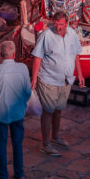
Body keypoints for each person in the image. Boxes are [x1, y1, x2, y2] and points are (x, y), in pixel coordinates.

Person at [30, 10, 85, 155]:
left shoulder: (72, 34)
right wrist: (34, 79)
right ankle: (46, 143)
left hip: (66, 79)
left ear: (66, 23)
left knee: (59, 109)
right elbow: (37, 58)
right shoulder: (46, 36)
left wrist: (79, 74)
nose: (58, 27)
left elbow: (76, 54)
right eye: (56, 23)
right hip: (49, 79)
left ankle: (56, 136)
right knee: (48, 111)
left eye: (61, 24)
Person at [0, 40, 32, 179]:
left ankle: (3, 175)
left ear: (1, 54)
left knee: (0, 144)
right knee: (17, 143)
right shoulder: (22, 69)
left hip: (1, 112)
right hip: (17, 112)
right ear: (14, 54)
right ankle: (19, 173)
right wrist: (23, 104)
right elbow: (27, 91)